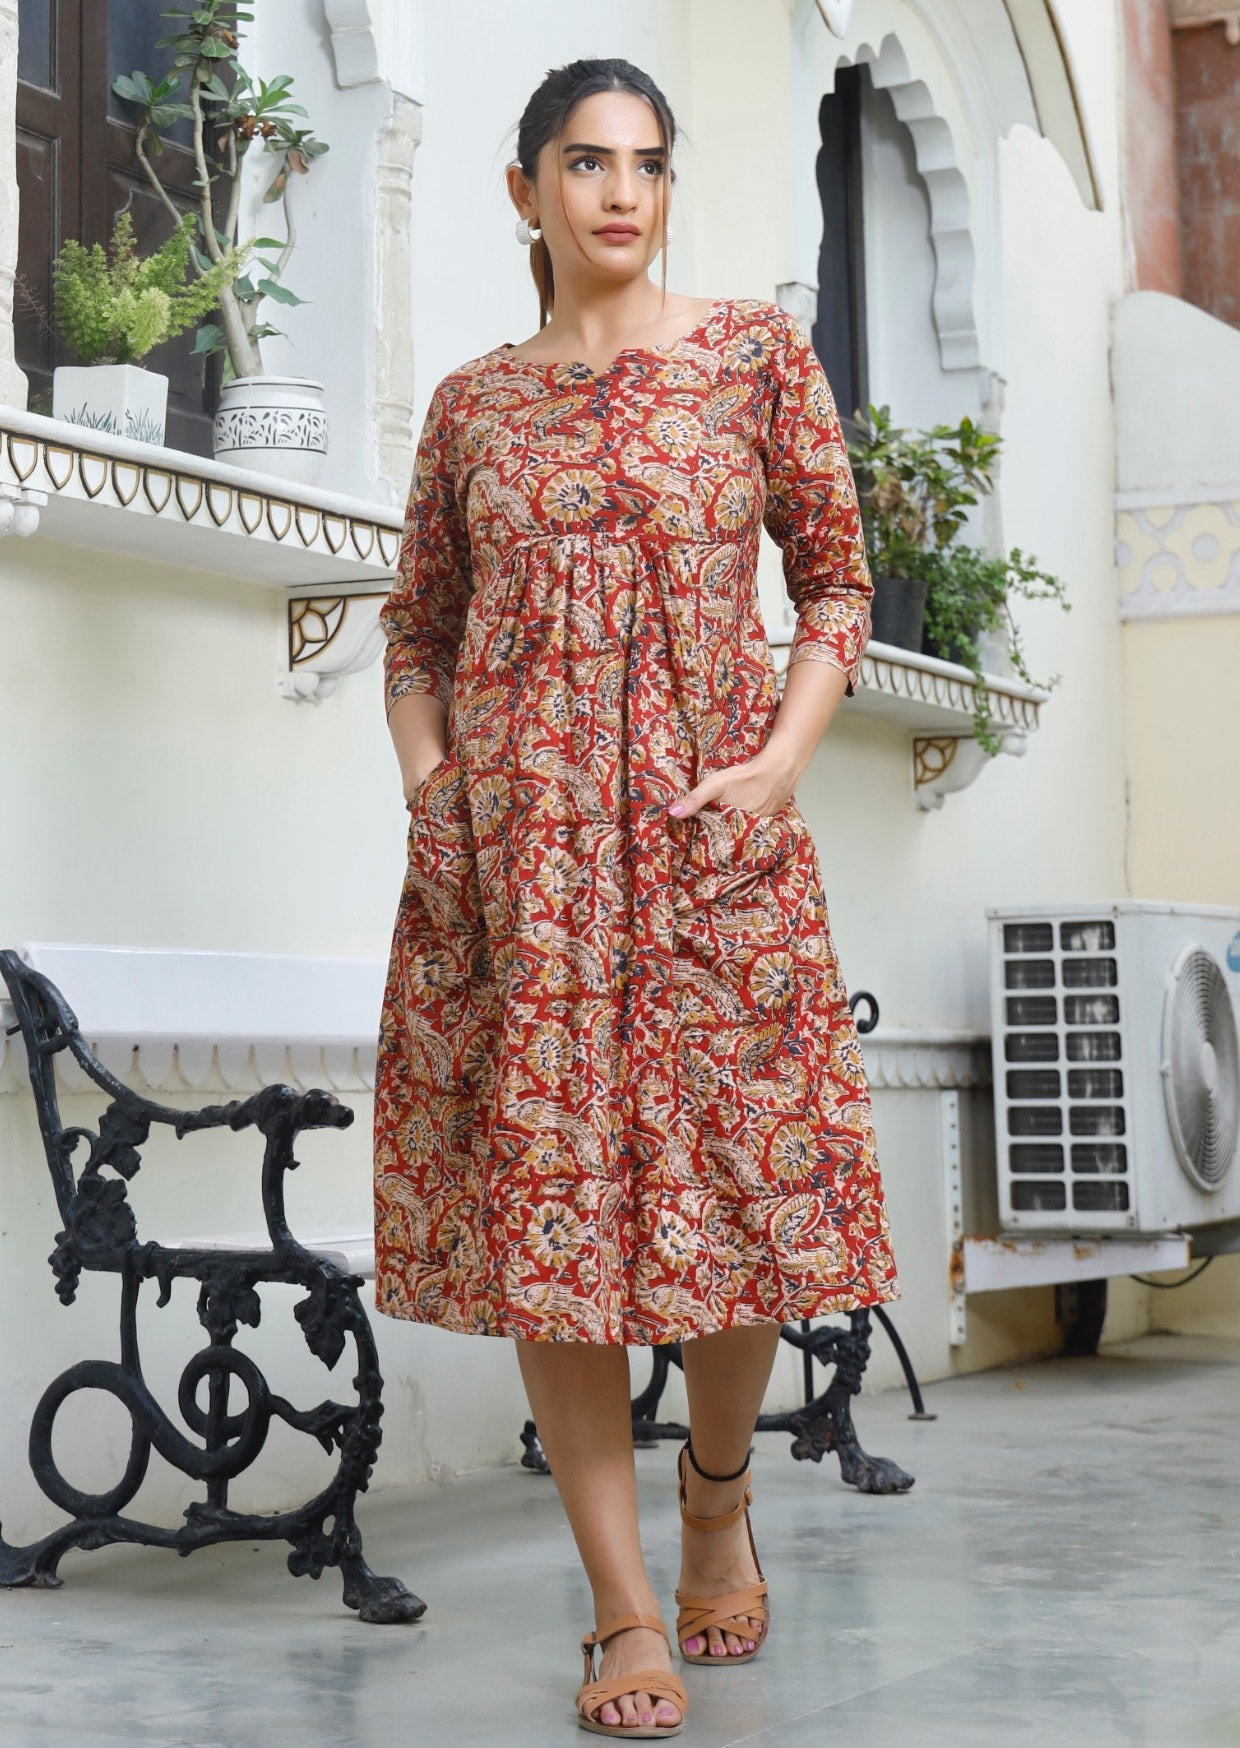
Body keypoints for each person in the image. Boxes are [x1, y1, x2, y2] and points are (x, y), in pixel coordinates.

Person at [373, 56, 898, 1740]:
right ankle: (620, 1616)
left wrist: (779, 764)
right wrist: (439, 795)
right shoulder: (471, 406)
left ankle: (719, 1495)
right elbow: (414, 632)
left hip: (710, 848)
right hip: (519, 880)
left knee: (738, 1208)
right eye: (584, 162)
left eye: (647, 163)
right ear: (522, 190)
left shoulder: (750, 356)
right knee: (556, 1230)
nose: (620, 191)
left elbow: (835, 581)